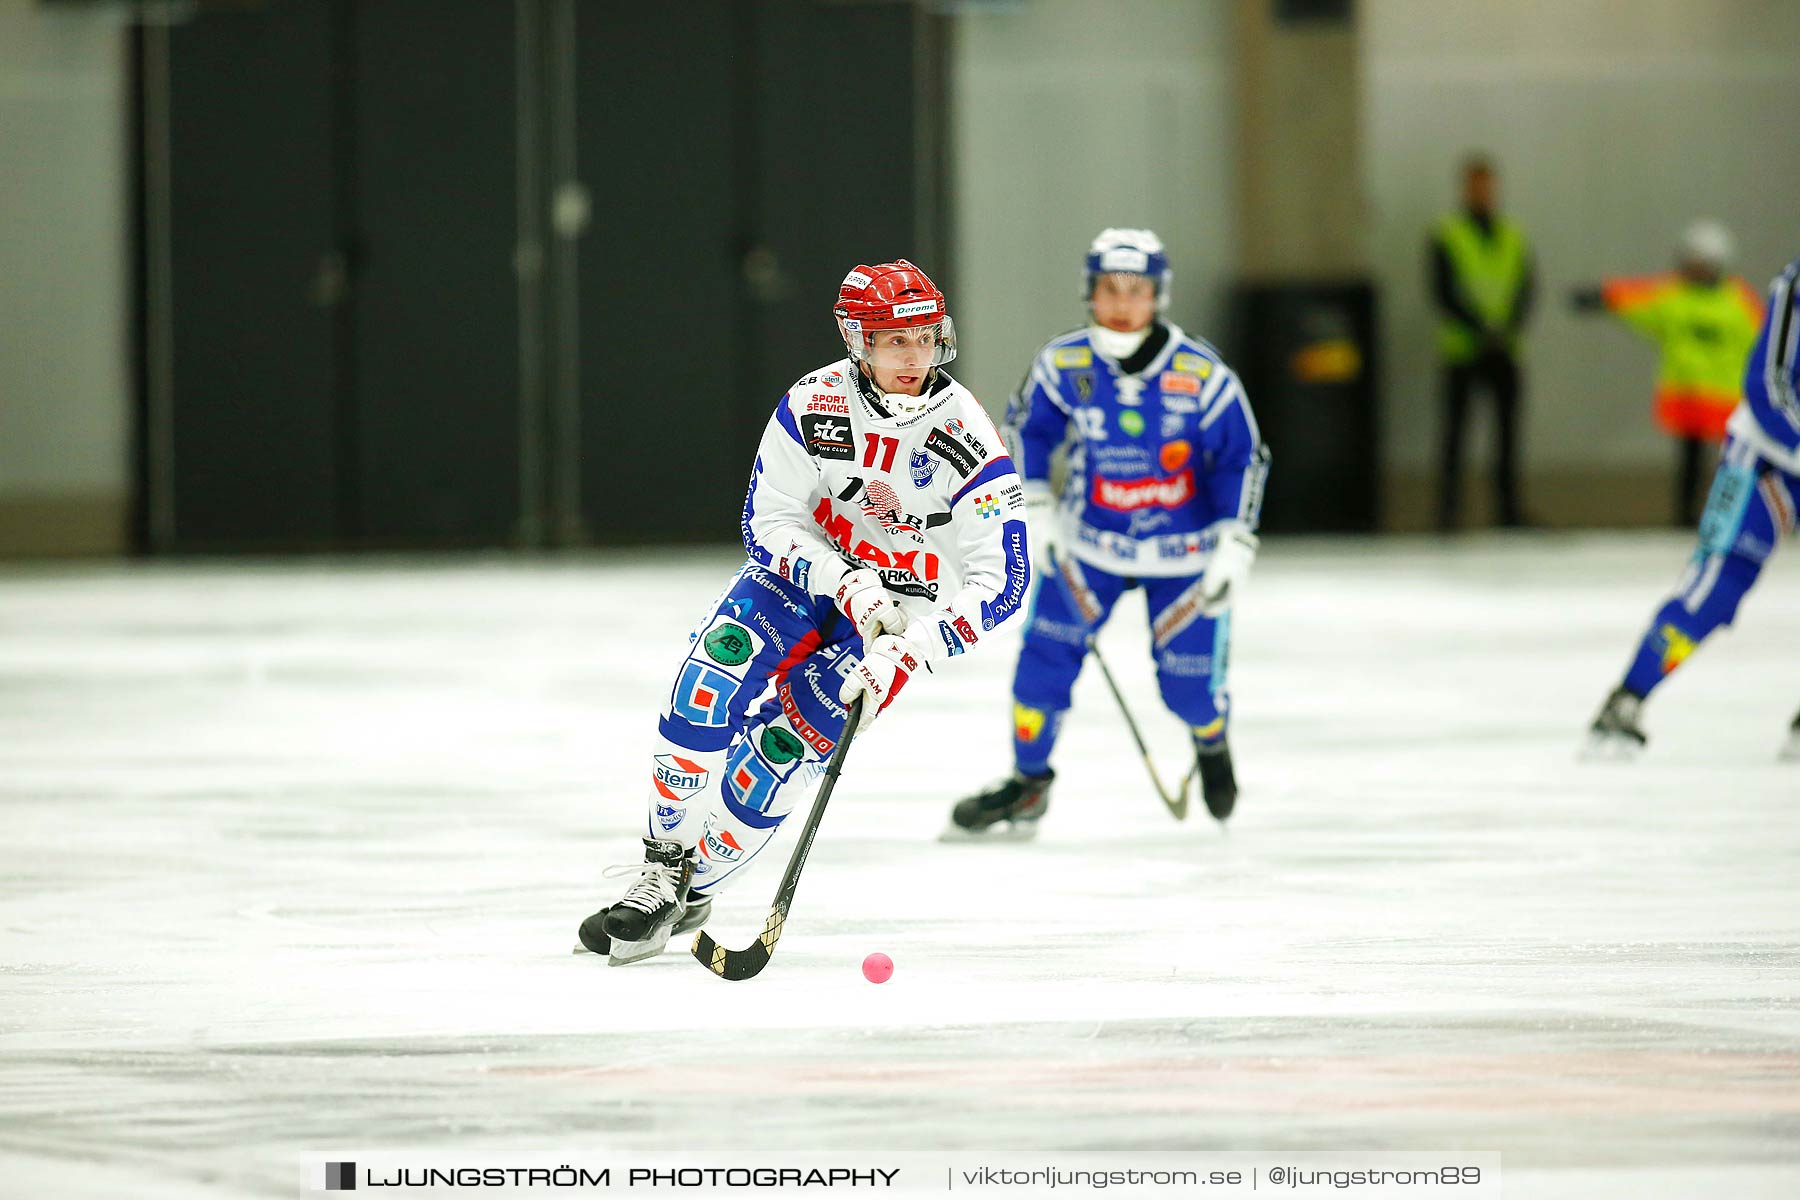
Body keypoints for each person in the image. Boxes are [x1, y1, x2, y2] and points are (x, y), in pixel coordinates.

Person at [578, 260, 1029, 964]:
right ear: (857, 339)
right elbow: (769, 520)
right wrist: (844, 579)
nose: (912, 357)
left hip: (896, 623)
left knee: (782, 750)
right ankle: (662, 866)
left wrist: (913, 650)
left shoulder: (967, 434)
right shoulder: (814, 401)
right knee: (707, 684)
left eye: (923, 337)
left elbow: (1004, 579)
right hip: (805, 581)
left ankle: (693, 888)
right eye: (891, 340)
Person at [946, 229, 1269, 835]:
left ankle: (1210, 737)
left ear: (1158, 296)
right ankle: (1028, 784)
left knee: (1188, 688)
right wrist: (1033, 502)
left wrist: (1235, 542)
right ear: (1088, 293)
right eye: (1107, 288)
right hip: (1090, 545)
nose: (1121, 303)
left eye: (1137, 289)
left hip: (1184, 553)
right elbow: (1028, 429)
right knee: (1042, 661)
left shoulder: (1202, 372)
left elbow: (1241, 458)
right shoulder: (1063, 361)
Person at [1587, 255, 1800, 761]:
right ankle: (1629, 698)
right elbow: (1767, 386)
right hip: (1761, 461)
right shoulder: (1795, 285)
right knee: (1715, 589)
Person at [1571, 221, 1765, 525]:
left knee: (1735, 463)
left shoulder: (1737, 300)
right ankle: (1686, 516)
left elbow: (1764, 336)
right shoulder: (1674, 296)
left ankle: (1734, 516)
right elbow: (1636, 298)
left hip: (1726, 397)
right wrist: (1602, 296)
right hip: (1688, 395)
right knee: (1690, 461)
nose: (1696, 269)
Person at [1430, 155, 1536, 530]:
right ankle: (1448, 515)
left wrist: (1506, 329)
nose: (1483, 192)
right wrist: (1480, 327)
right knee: (1455, 436)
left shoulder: (1512, 235)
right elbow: (1443, 291)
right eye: (1476, 185)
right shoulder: (1447, 234)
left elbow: (1526, 287)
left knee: (1507, 436)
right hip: (1463, 350)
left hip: (1505, 349)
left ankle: (1507, 511)